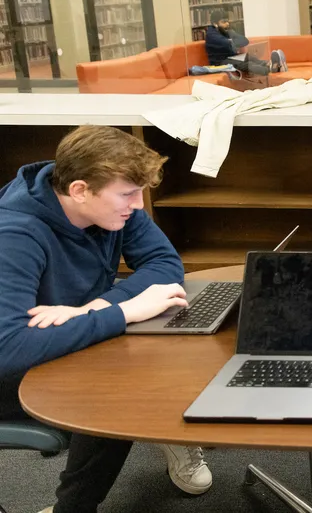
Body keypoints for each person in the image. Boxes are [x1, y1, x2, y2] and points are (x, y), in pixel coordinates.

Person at [0, 126, 215, 513]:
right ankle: (74, 508)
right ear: (80, 190)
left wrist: (93, 310)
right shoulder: (15, 235)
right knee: (118, 389)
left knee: (174, 330)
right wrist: (122, 312)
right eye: (128, 194)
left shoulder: (109, 200)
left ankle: (157, 420)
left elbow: (165, 264)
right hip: (14, 364)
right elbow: (8, 348)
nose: (137, 205)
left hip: (68, 332)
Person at [204, 10, 286, 76]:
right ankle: (271, 70)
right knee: (247, 64)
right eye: (224, 22)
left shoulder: (225, 31)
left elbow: (244, 41)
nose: (227, 24)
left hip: (231, 58)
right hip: (220, 63)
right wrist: (231, 39)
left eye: (227, 21)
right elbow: (226, 43)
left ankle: (270, 64)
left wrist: (231, 37)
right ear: (215, 24)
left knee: (248, 57)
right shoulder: (211, 34)